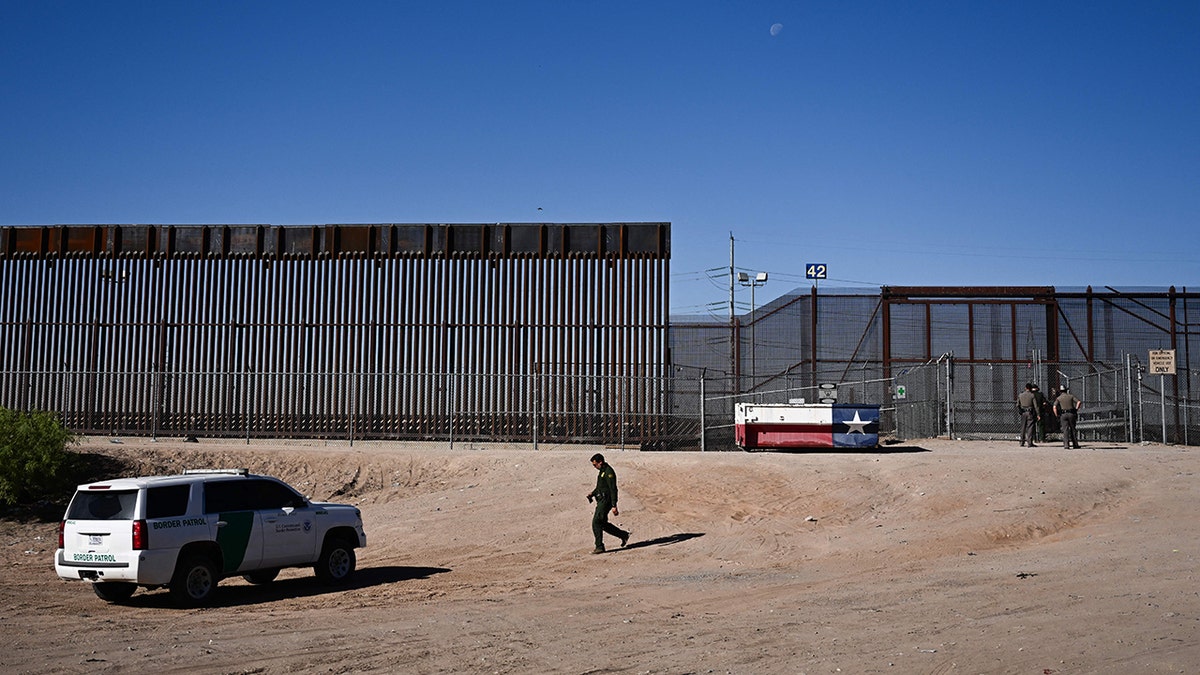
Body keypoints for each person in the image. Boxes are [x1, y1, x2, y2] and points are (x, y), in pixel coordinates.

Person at [586, 453, 630, 554]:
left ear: (600, 462)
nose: (594, 467)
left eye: (595, 465)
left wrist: (614, 505)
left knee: (596, 522)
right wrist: (592, 494)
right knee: (603, 524)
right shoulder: (602, 471)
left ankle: (599, 546)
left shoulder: (609, 472)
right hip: (601, 500)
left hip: (606, 501)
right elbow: (600, 487)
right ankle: (623, 535)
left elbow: (613, 489)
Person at [1054, 384, 1083, 449]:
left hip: (1063, 414)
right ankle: (1075, 444)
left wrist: (1057, 415)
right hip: (1071, 413)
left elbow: (1054, 407)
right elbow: (1079, 402)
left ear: (1060, 391)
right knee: (1073, 429)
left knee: (1065, 430)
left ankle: (1066, 445)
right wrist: (1076, 409)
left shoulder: (1059, 398)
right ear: (1066, 390)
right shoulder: (1071, 396)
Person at [1017, 383, 1040, 447]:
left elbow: (1017, 404)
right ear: (1030, 388)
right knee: (1030, 427)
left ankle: (1022, 442)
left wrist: (1020, 410)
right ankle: (1030, 442)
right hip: (1030, 412)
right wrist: (1038, 414)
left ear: (1025, 388)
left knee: (1023, 427)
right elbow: (1036, 406)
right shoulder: (1032, 395)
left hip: (1023, 412)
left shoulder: (1021, 395)